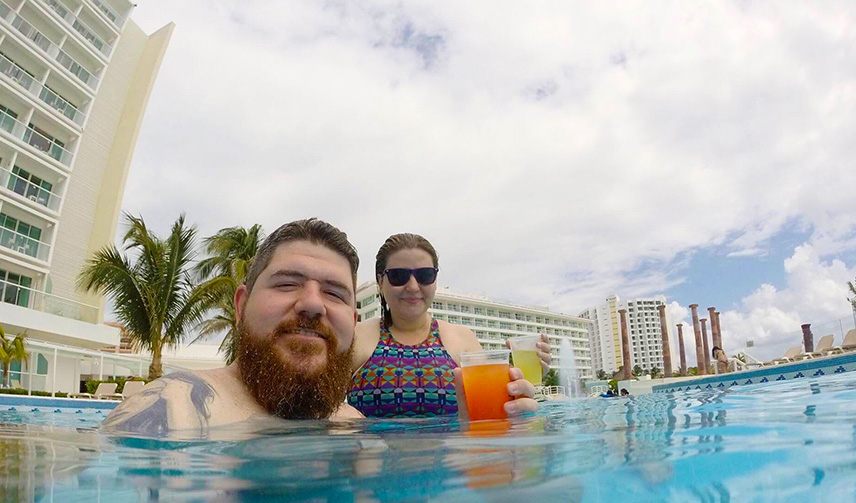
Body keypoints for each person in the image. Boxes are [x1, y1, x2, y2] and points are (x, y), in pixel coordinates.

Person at [102, 219, 538, 436]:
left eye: (333, 292)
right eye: (288, 283)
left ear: (348, 317)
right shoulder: (175, 408)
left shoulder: (351, 427)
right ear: (240, 304)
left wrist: (509, 427)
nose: (312, 304)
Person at [348, 233, 551, 418]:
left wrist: (516, 386)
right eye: (398, 276)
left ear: (435, 280)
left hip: (455, 458)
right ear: (380, 282)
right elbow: (322, 407)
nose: (412, 286)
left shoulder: (462, 339)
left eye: (425, 275)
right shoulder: (356, 337)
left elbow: (491, 412)